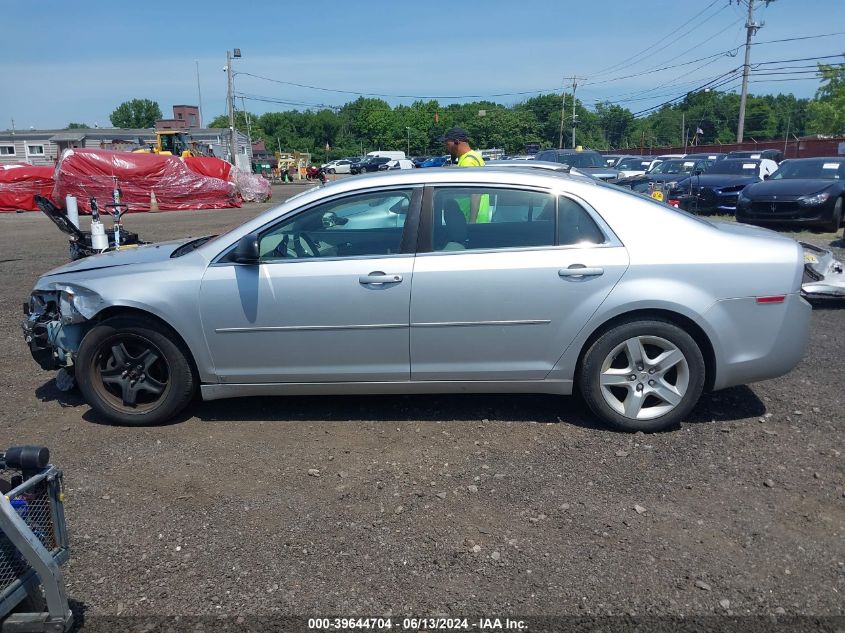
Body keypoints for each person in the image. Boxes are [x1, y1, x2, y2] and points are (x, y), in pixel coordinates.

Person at [437, 127, 489, 222]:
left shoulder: (468, 162)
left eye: (447, 143)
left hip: (470, 220)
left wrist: (472, 222)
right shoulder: (474, 156)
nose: (446, 147)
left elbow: (475, 194)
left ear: (456, 142)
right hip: (476, 219)